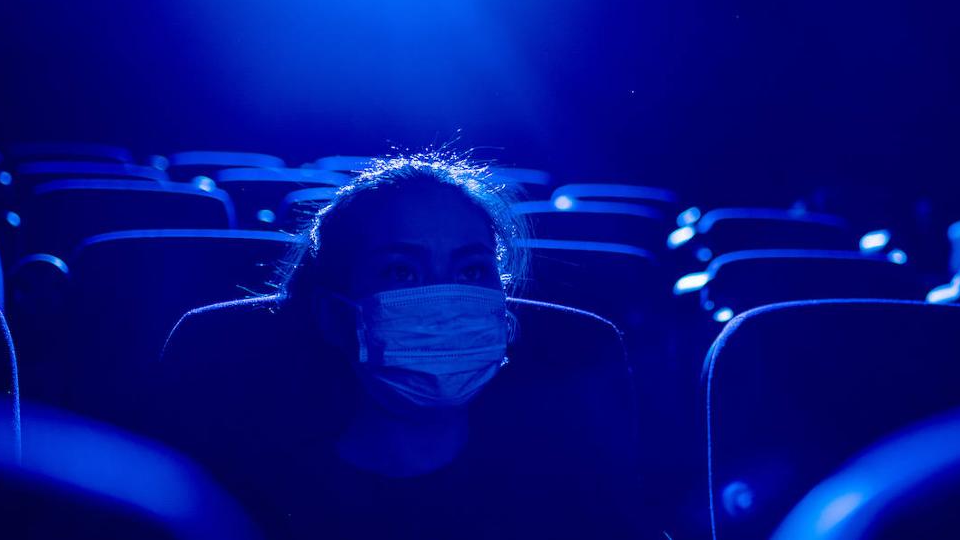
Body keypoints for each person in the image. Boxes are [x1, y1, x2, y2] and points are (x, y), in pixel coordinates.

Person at [155, 151, 649, 538]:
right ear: (333, 315)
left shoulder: (565, 491)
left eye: (472, 270)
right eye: (401, 271)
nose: (445, 297)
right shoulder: (249, 505)